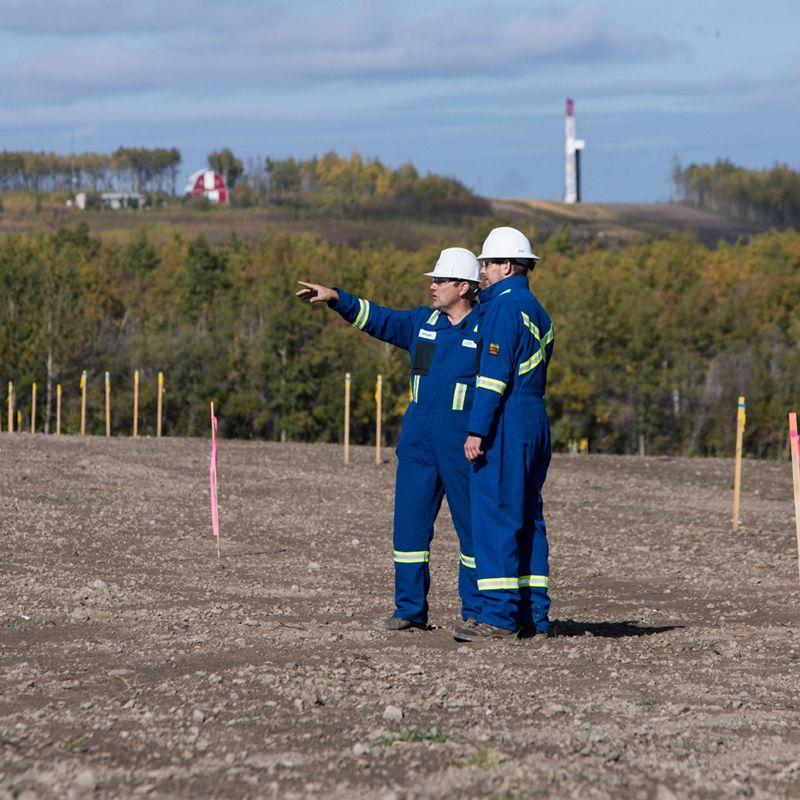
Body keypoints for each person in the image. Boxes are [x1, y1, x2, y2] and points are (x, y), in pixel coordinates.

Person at [296, 248, 483, 631]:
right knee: (409, 529)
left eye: (440, 281)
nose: (432, 287)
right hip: (418, 444)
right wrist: (336, 298)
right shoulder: (422, 322)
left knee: (472, 530)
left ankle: (478, 614)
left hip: (464, 445)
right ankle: (409, 609)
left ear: (464, 287)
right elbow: (377, 318)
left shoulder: (486, 328)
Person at [453, 227, 555, 641]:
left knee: (495, 515)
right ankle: (534, 615)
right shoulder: (536, 308)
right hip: (534, 417)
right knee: (527, 516)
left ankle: (497, 617)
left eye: (488, 262)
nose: (482, 270)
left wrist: (478, 429)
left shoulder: (503, 309)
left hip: (508, 418)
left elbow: (493, 377)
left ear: (508, 265)